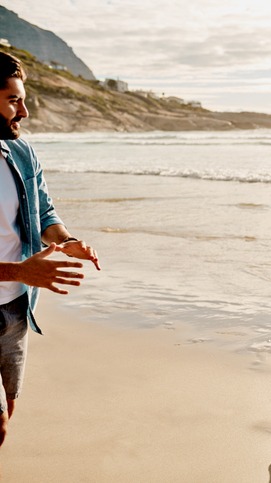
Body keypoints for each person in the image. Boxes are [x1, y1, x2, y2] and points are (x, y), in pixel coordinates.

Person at [0, 51, 101, 448]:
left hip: (16, 309)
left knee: (9, 408)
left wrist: (67, 242)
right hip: (17, 285)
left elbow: (44, 215)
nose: (24, 111)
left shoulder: (22, 152)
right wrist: (20, 271)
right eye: (13, 100)